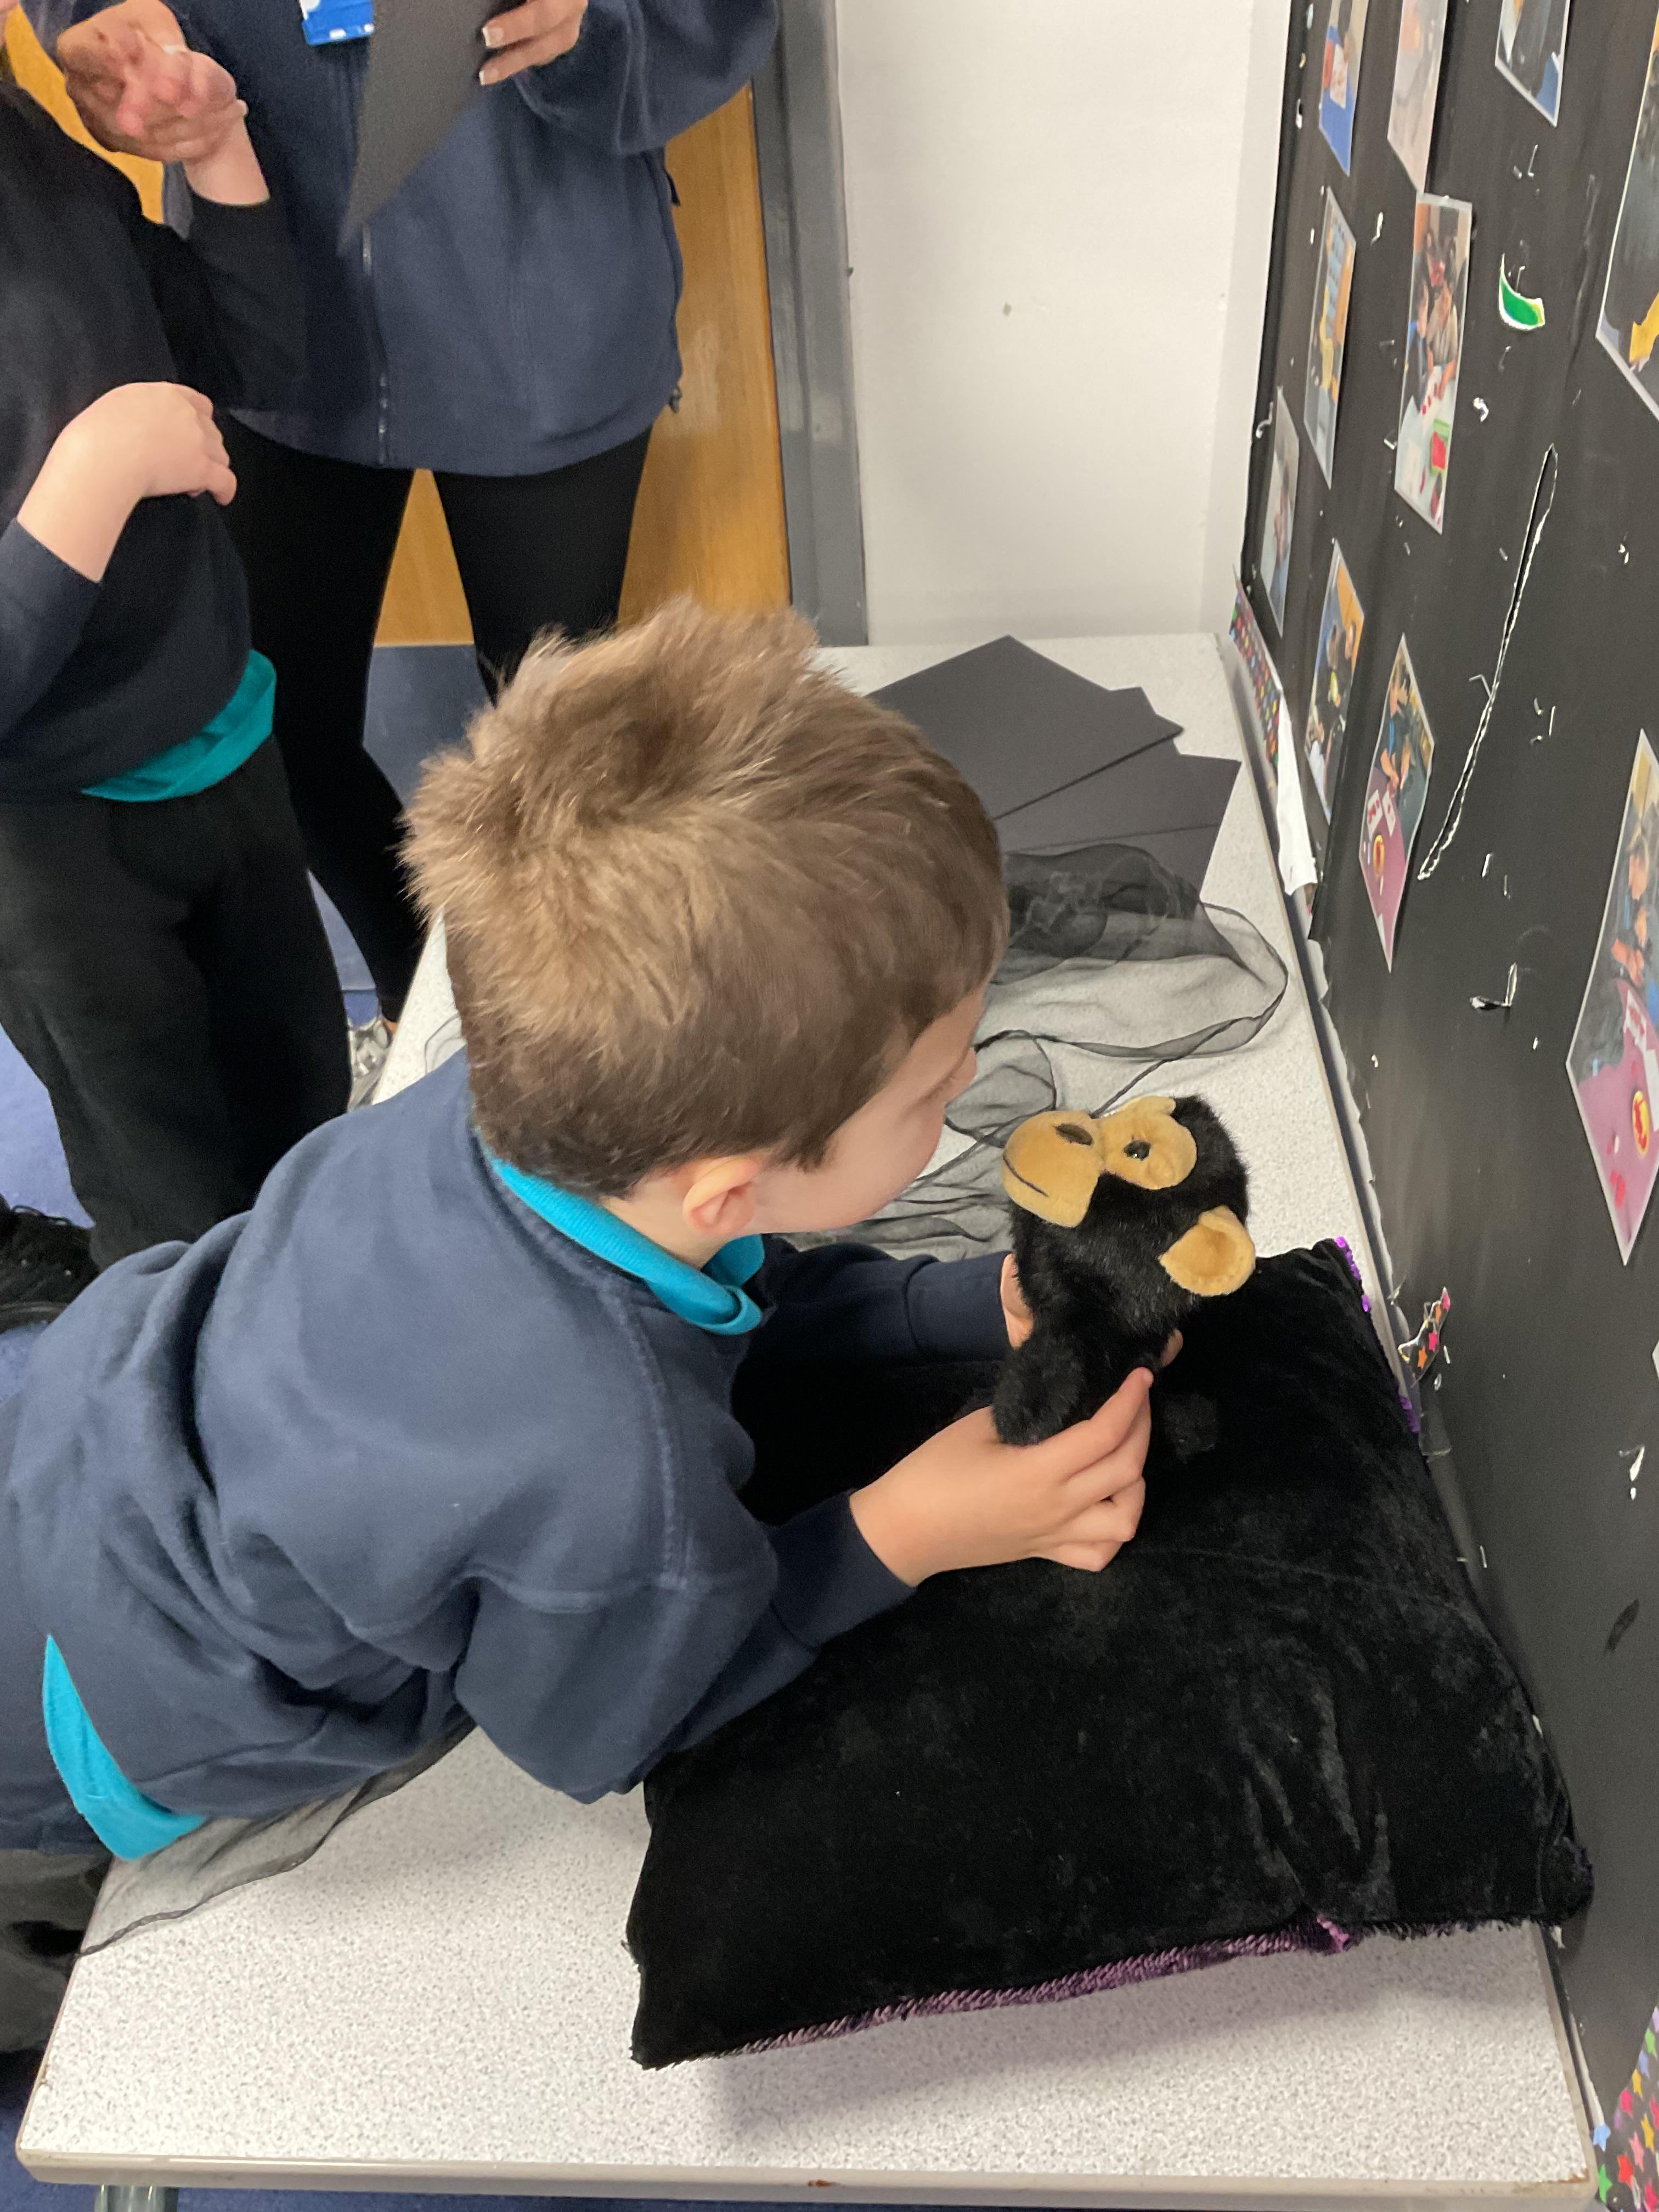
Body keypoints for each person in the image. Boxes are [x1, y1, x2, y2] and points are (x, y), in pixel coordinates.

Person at [0, 604, 1160, 2046]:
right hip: (88, 1718)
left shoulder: (501, 1102)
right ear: (727, 1183)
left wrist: (957, 1304)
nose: (970, 1080)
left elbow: (732, 1299)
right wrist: (910, 1526)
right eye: (934, 1085)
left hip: (66, 1438)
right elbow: (622, 1724)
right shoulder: (618, 1473)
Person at [38, 0, 780, 1086]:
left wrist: (604, 26)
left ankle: (571, 1044)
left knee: (565, 756)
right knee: (271, 720)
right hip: (271, 298)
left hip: (544, 302)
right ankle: (433, 1009)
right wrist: (102, 25)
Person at [0, 0, 347, 1324]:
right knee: (171, 1220)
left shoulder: (25, 141)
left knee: (302, 1128)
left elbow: (253, 352)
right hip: (56, 847)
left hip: (218, 743)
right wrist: (94, 471)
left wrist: (215, 152)